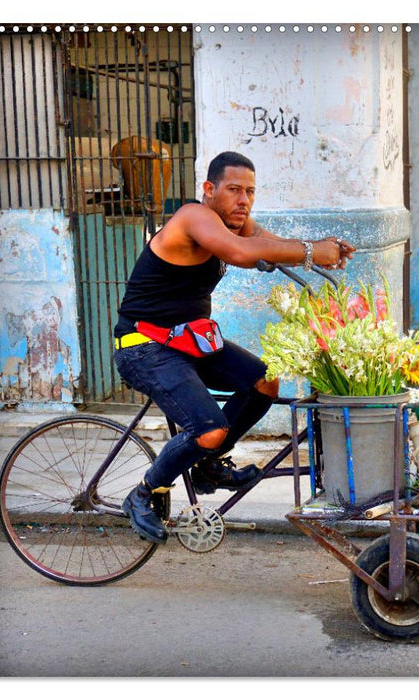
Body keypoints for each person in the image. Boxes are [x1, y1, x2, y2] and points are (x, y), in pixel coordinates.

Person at [114, 151, 355, 543]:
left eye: (251, 192)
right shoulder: (193, 218)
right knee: (209, 429)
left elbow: (266, 242)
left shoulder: (233, 223)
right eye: (234, 190)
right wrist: (311, 251)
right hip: (144, 346)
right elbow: (242, 253)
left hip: (188, 341)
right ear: (209, 190)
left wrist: (320, 253)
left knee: (265, 382)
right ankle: (144, 492)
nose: (243, 200)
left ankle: (208, 465)